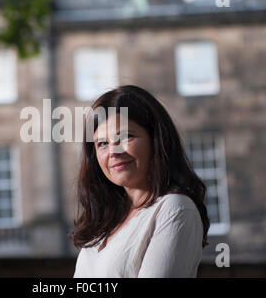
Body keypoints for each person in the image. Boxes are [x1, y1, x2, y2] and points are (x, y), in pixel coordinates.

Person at [70, 85, 210, 278]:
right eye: (103, 143)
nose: (113, 152)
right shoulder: (105, 222)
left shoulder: (174, 209)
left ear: (156, 139)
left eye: (126, 137)